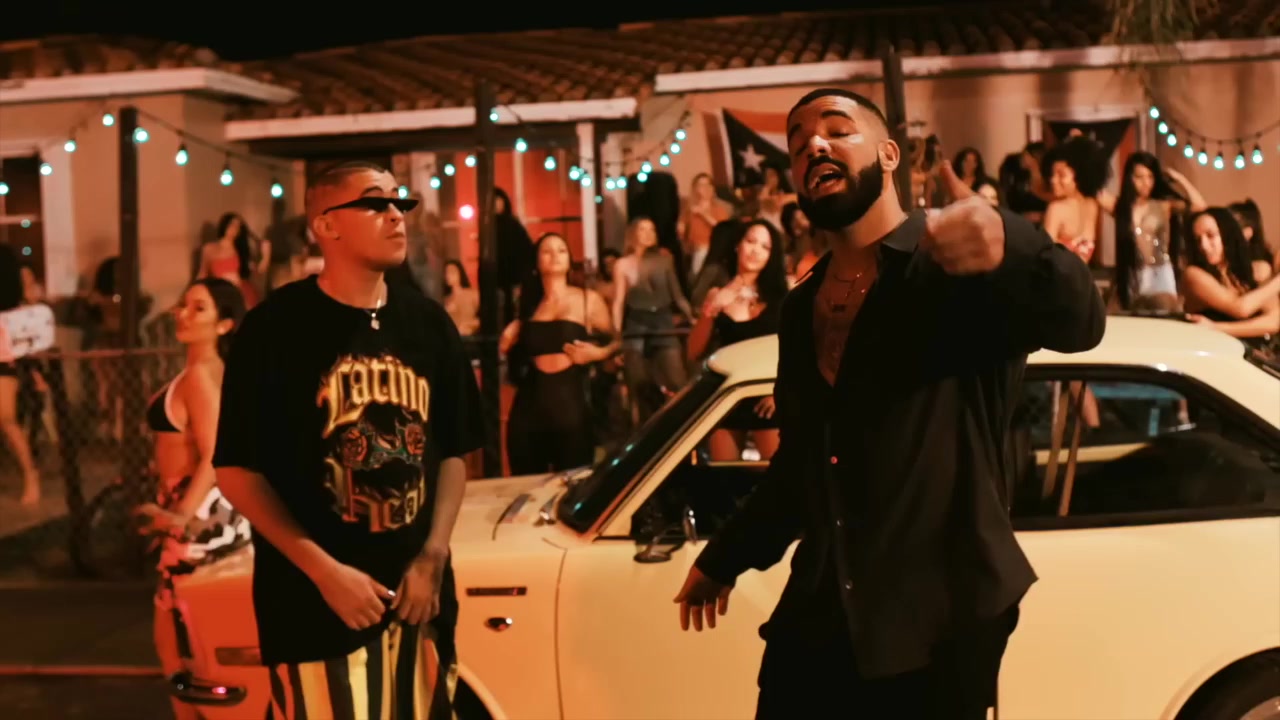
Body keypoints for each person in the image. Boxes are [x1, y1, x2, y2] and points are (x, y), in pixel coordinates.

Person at [672, 89, 1105, 719]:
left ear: (889, 154)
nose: (814, 145)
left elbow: (1081, 324)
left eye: (837, 129)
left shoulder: (953, 264)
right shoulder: (800, 308)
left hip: (937, 631)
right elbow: (803, 464)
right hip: (818, 620)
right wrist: (726, 556)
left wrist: (1007, 238)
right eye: (798, 143)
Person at [213, 160, 483, 720]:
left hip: (418, 600)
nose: (395, 215)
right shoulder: (274, 330)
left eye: (399, 202)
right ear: (327, 225)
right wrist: (323, 571)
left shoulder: (429, 324)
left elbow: (455, 451)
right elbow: (237, 470)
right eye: (375, 203)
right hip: (315, 608)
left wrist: (432, 556)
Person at [134, 278, 252, 720]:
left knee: (180, 647)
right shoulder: (219, 373)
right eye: (183, 305)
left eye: (198, 308)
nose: (183, 314)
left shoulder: (201, 377)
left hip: (199, 522)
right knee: (199, 642)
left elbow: (215, 453)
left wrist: (179, 517)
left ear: (224, 324)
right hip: (218, 516)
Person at [500, 233, 617, 474]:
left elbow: (620, 340)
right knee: (527, 480)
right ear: (536, 262)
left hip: (570, 403)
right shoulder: (529, 305)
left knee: (575, 479)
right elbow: (508, 352)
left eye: (561, 250)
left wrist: (597, 353)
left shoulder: (587, 299)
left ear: (569, 260)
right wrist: (510, 336)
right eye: (547, 251)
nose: (555, 256)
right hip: (530, 406)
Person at [685, 220, 788, 461]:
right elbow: (693, 351)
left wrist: (781, 390)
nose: (755, 250)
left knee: (778, 472)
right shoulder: (717, 293)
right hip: (729, 395)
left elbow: (798, 348)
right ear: (737, 245)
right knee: (725, 473)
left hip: (768, 392)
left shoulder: (783, 295)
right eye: (750, 241)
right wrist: (711, 310)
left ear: (772, 255)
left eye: (765, 246)